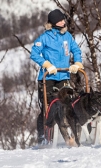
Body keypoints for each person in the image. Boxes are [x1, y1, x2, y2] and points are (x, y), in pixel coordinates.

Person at [30, 9, 83, 145]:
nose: (63, 21)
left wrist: (77, 63)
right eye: (60, 20)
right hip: (47, 77)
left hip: (63, 76)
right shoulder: (44, 37)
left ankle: (71, 135)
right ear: (54, 23)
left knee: (67, 105)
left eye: (63, 19)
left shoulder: (67, 36)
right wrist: (47, 64)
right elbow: (34, 53)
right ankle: (43, 137)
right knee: (47, 107)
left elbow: (76, 50)